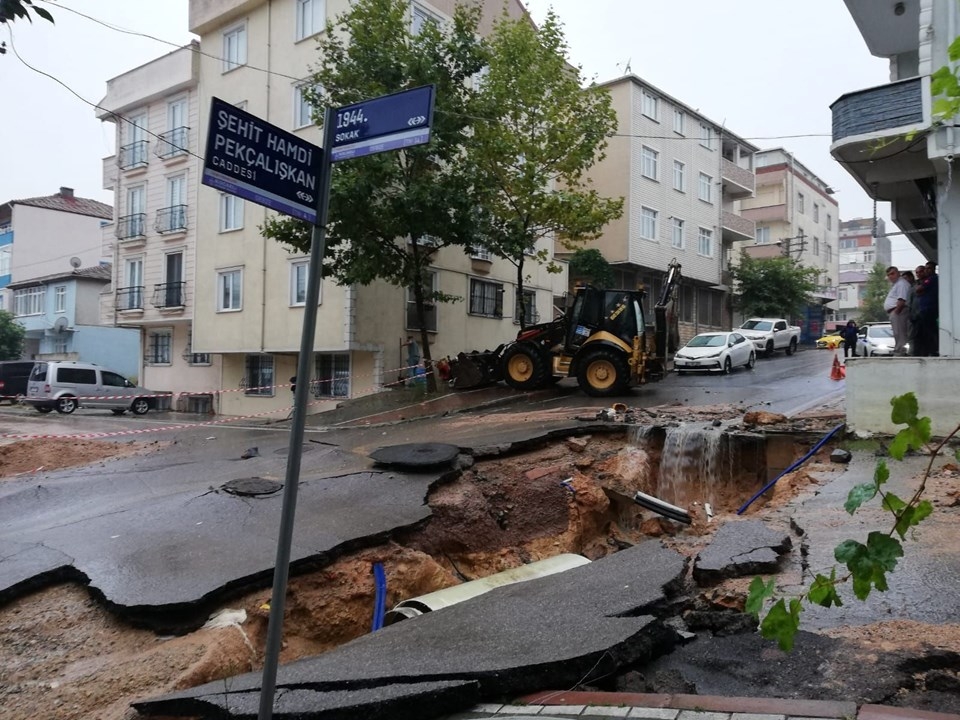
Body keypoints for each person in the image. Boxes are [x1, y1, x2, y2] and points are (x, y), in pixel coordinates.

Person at [883, 266, 911, 356]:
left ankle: (900, 351)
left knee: (900, 332)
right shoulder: (896, 284)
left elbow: (902, 299)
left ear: (898, 273)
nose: (890, 276)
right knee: (897, 332)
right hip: (896, 311)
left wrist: (896, 312)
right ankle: (899, 349)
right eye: (888, 275)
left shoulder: (901, 284)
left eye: (892, 273)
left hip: (899, 311)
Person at [914, 261, 939, 356]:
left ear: (933, 269)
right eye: (926, 268)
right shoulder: (928, 280)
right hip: (925, 308)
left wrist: (920, 289)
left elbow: (918, 290)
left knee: (930, 331)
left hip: (930, 308)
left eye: (929, 268)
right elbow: (918, 292)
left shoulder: (932, 279)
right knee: (926, 331)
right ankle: (929, 350)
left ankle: (933, 350)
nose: (927, 270)